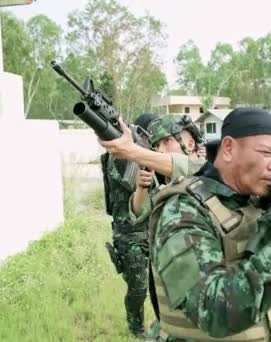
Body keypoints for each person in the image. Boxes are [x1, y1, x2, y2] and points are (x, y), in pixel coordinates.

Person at [147, 107, 271, 341]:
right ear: (229, 148)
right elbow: (212, 311)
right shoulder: (184, 210)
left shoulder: (254, 202)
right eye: (267, 153)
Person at [102, 112, 158, 338]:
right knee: (138, 288)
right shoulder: (120, 156)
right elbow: (130, 182)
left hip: (149, 230)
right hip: (128, 232)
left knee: (155, 285)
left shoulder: (146, 156)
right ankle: (136, 329)